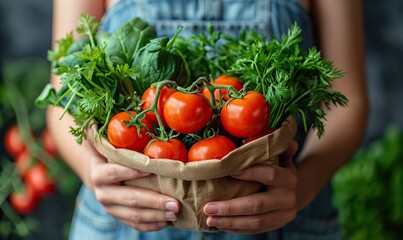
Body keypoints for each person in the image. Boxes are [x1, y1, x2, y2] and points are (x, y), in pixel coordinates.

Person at [48, 0, 368, 239]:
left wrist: (300, 190)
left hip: (281, 219)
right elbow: (62, 95)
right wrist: (92, 173)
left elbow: (347, 99)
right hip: (124, 222)